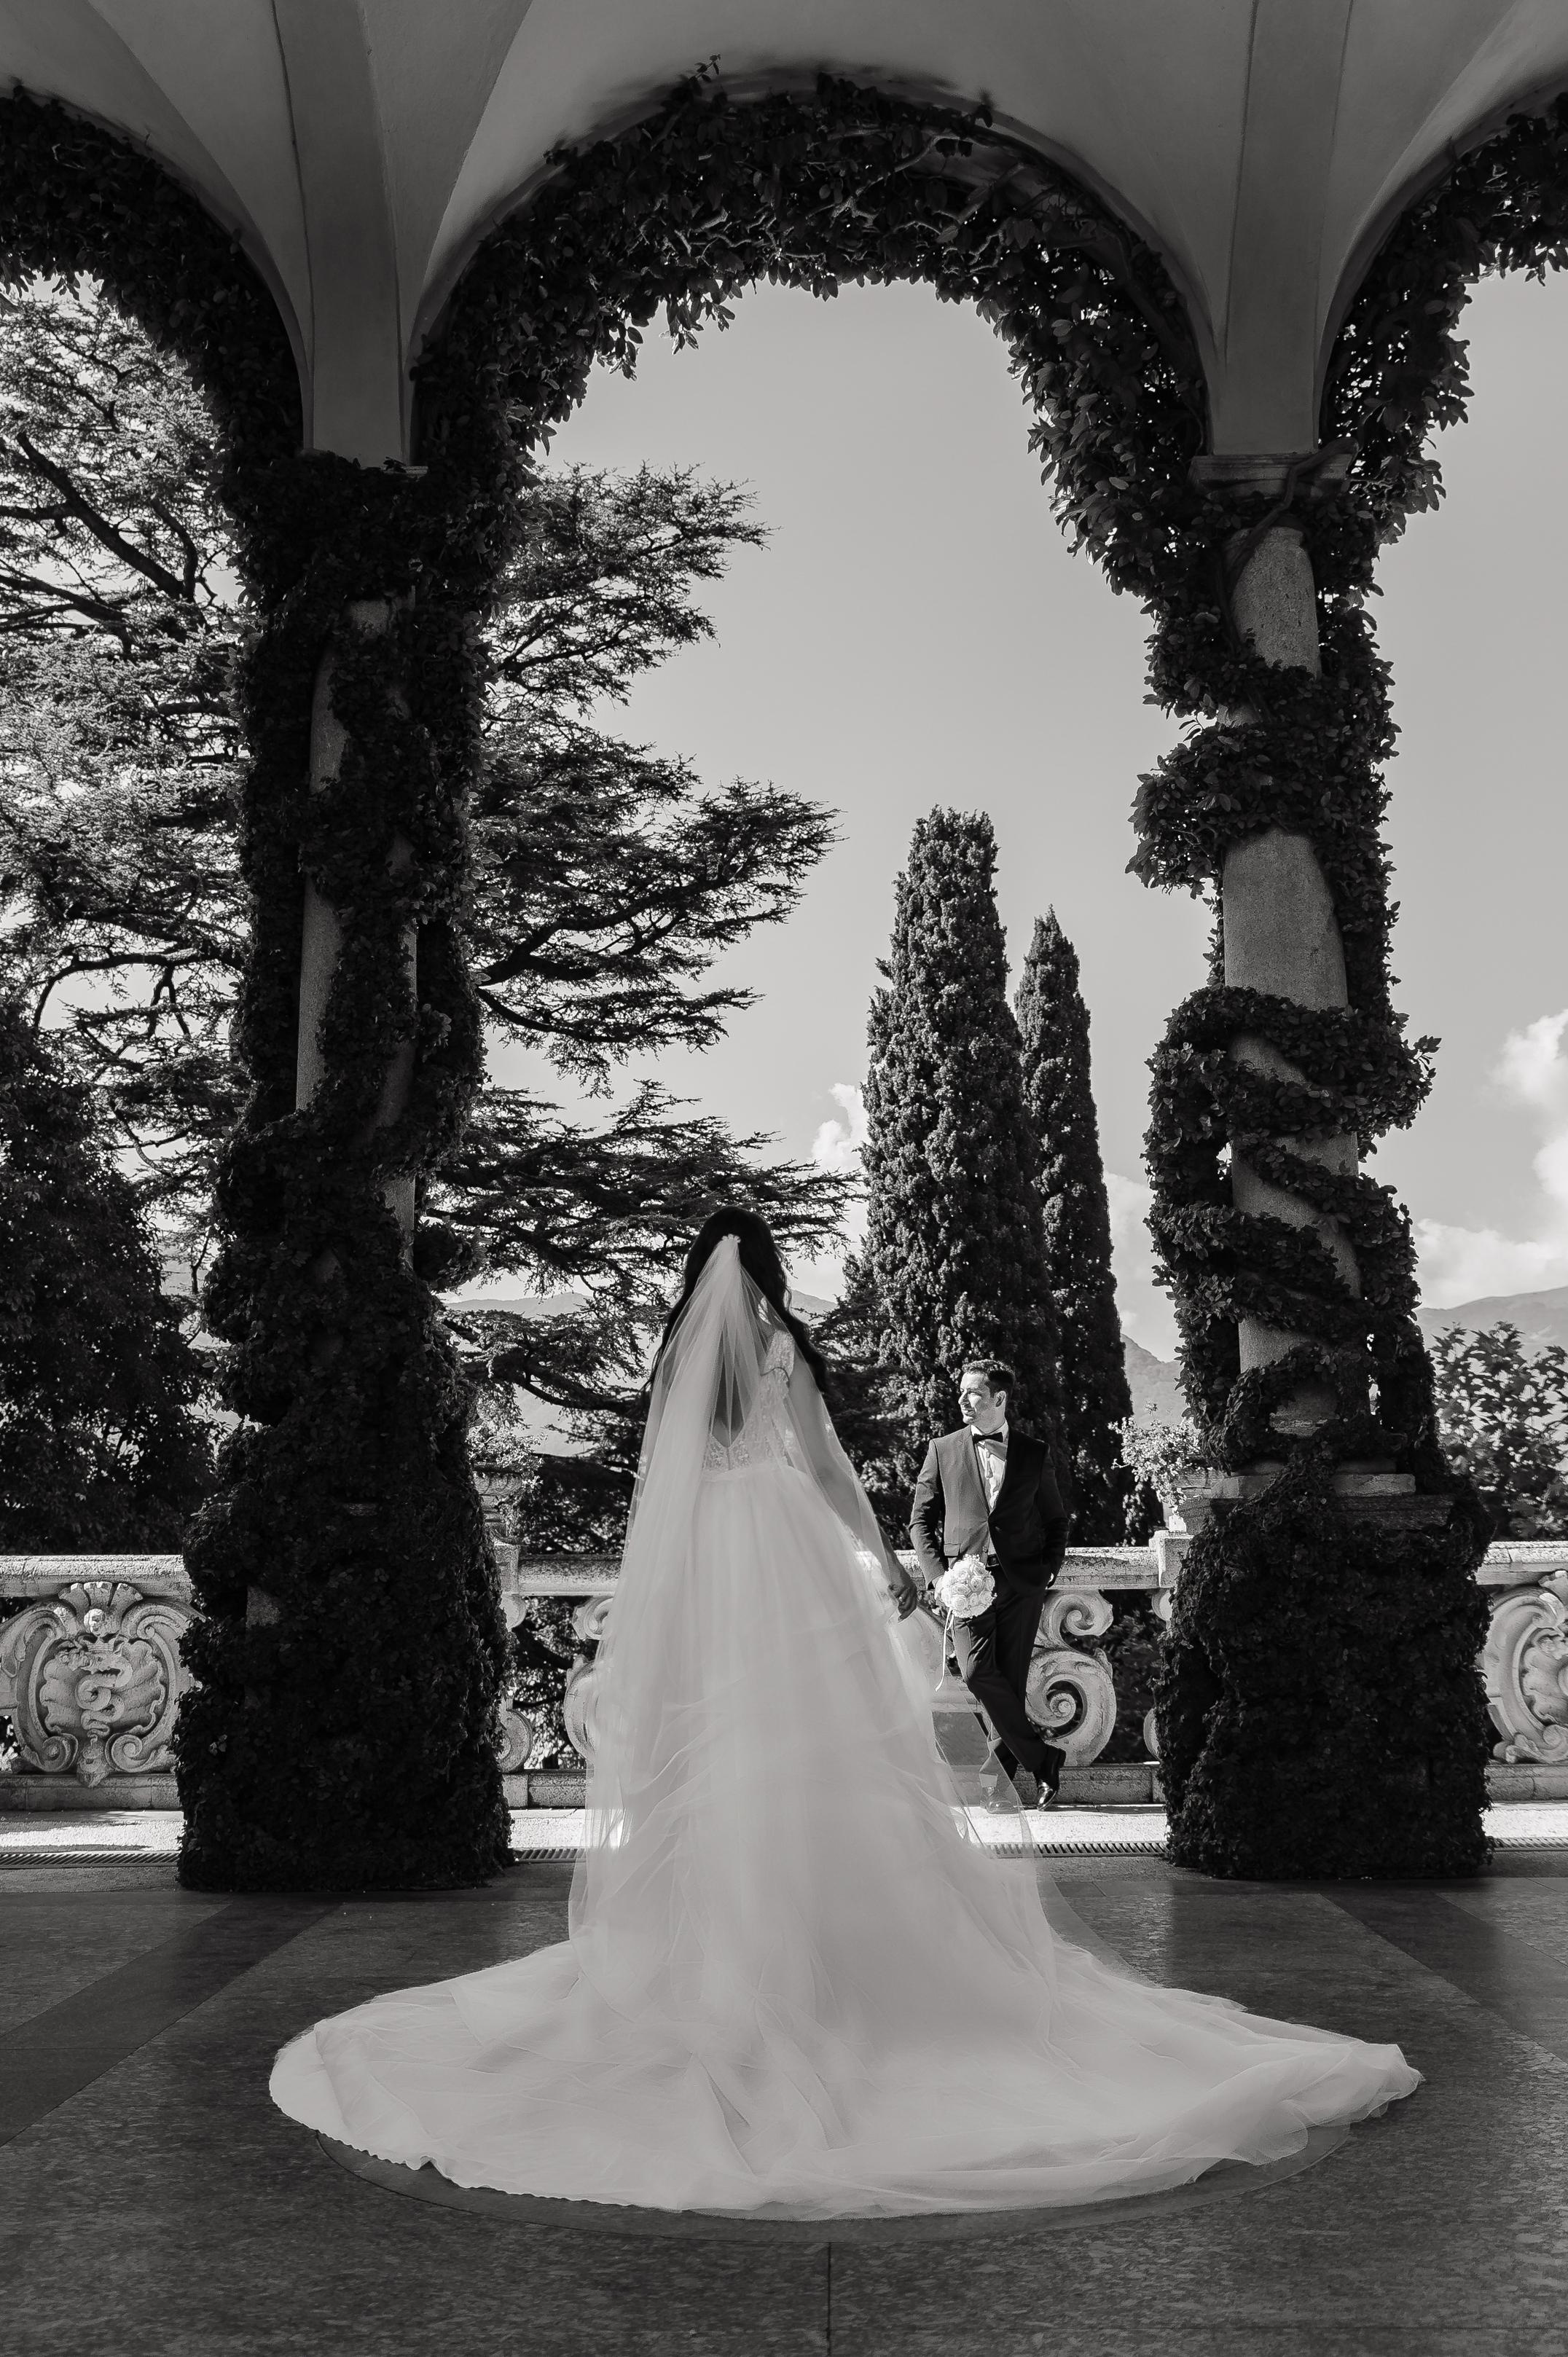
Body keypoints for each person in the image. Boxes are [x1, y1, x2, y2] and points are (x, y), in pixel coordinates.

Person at [270, 1207, 1418, 2218]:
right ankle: (831, 1964)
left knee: (715, 1759)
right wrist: (891, 1569)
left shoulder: (680, 1354)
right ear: (765, 1269)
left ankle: (705, 1966)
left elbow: (655, 1490)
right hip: (782, 1553)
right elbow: (823, 1471)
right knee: (818, 1753)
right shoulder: (777, 1342)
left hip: (706, 1563)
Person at [911, 1357, 1069, 1807]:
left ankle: (997, 1784)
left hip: (1022, 1582)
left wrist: (1049, 1568)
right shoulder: (942, 1448)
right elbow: (920, 1521)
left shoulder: (1034, 1452)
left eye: (973, 1393)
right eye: (961, 1391)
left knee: (1012, 1681)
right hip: (966, 1584)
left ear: (999, 1399)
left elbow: (1056, 1518)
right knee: (979, 1672)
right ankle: (1044, 1760)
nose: (962, 1399)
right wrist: (940, 1579)